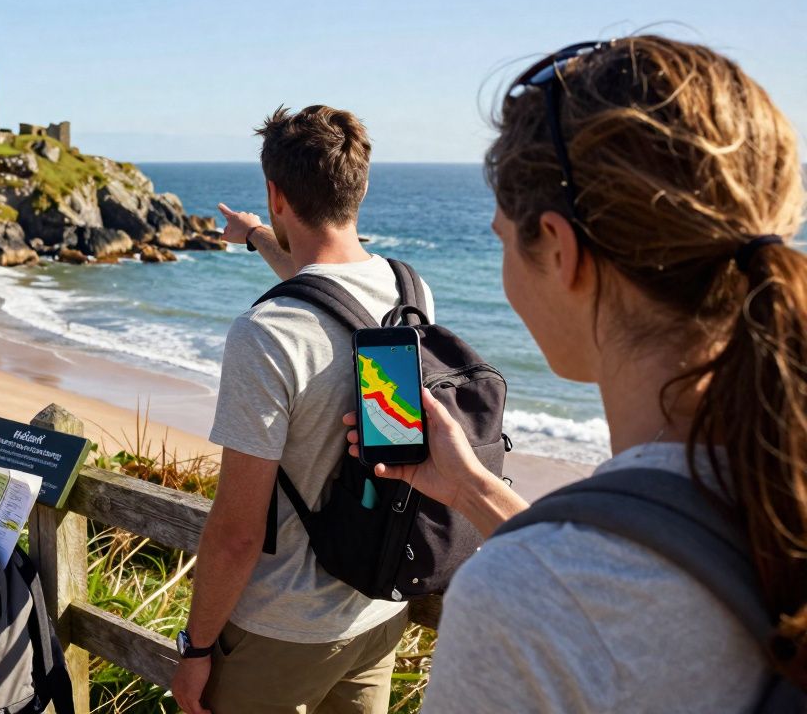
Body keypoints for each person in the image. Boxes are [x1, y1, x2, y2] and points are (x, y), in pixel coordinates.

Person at [341, 35, 806, 712]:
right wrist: (472, 487)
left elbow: (585, 606)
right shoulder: (775, 480)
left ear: (560, 250)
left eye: (504, 238)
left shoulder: (524, 605)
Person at [171, 105, 433, 714]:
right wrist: (258, 235)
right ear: (361, 185)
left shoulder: (264, 334)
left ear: (275, 192)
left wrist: (196, 647)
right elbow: (326, 290)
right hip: (377, 609)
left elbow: (237, 531)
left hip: (280, 631)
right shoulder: (409, 292)